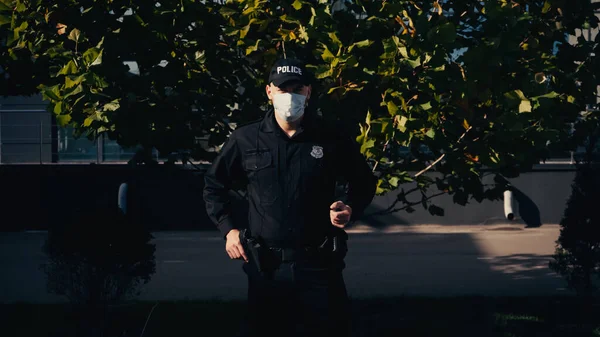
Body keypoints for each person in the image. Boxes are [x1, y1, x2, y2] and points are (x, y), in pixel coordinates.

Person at [203, 58, 377, 337]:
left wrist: (350, 208)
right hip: (266, 269)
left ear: (308, 92)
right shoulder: (247, 139)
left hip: (319, 266)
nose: (290, 97)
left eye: (296, 89)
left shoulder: (331, 137)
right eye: (283, 90)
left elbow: (364, 182)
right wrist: (228, 229)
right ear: (269, 92)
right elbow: (214, 184)